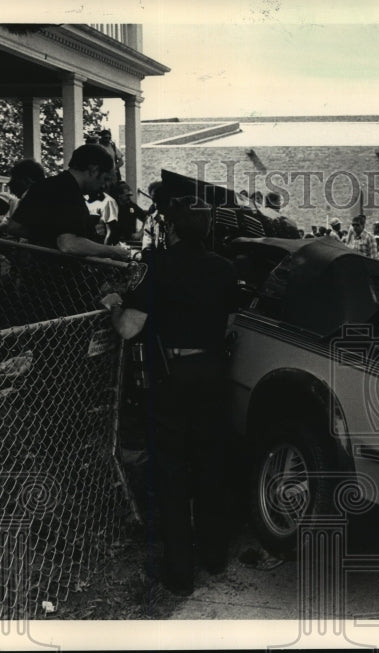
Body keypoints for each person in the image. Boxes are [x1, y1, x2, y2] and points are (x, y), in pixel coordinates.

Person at [101, 196, 238, 595]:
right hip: (213, 373)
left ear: (173, 229)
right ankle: (214, 556)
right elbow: (231, 322)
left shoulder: (156, 268)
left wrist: (112, 305)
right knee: (211, 464)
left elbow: (128, 328)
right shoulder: (225, 268)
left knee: (172, 471)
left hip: (171, 377)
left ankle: (179, 572)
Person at [10, 144, 130, 261]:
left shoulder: (42, 186)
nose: (105, 186)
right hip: (59, 273)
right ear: (93, 170)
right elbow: (68, 244)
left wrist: (48, 236)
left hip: (34, 270)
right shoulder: (71, 193)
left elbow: (15, 226)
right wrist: (115, 251)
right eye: (105, 179)